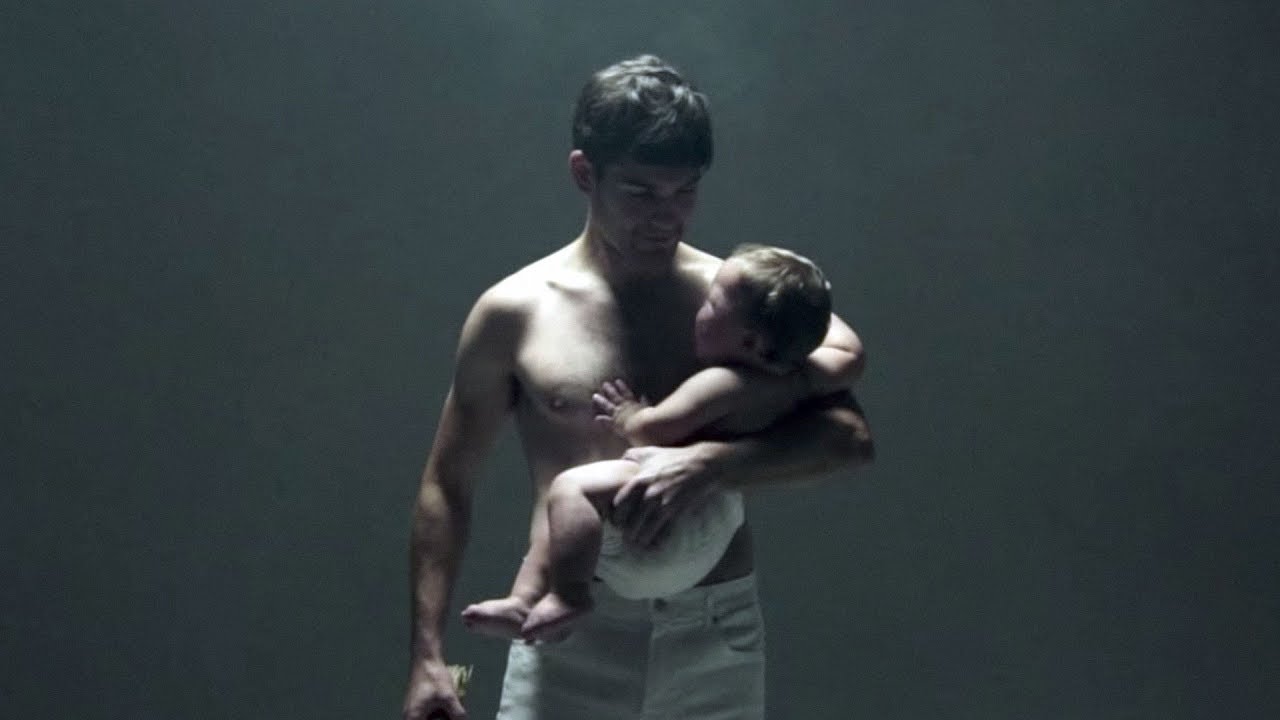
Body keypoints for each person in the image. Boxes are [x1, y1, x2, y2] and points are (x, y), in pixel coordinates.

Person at [402, 55, 874, 720]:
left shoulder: (739, 303)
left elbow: (850, 439)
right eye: (641, 193)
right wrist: (426, 653)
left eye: (685, 192)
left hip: (715, 628)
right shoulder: (515, 312)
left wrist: (711, 464)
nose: (666, 218)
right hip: (569, 625)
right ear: (584, 174)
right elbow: (446, 485)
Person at [459, 243, 844, 644]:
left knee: (569, 491)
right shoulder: (782, 383)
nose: (700, 309)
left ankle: (565, 595)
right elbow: (847, 355)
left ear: (751, 343)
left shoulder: (722, 383)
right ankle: (524, 600)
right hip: (713, 524)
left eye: (712, 304)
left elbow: (657, 431)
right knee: (565, 514)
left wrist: (629, 415)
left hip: (683, 512)